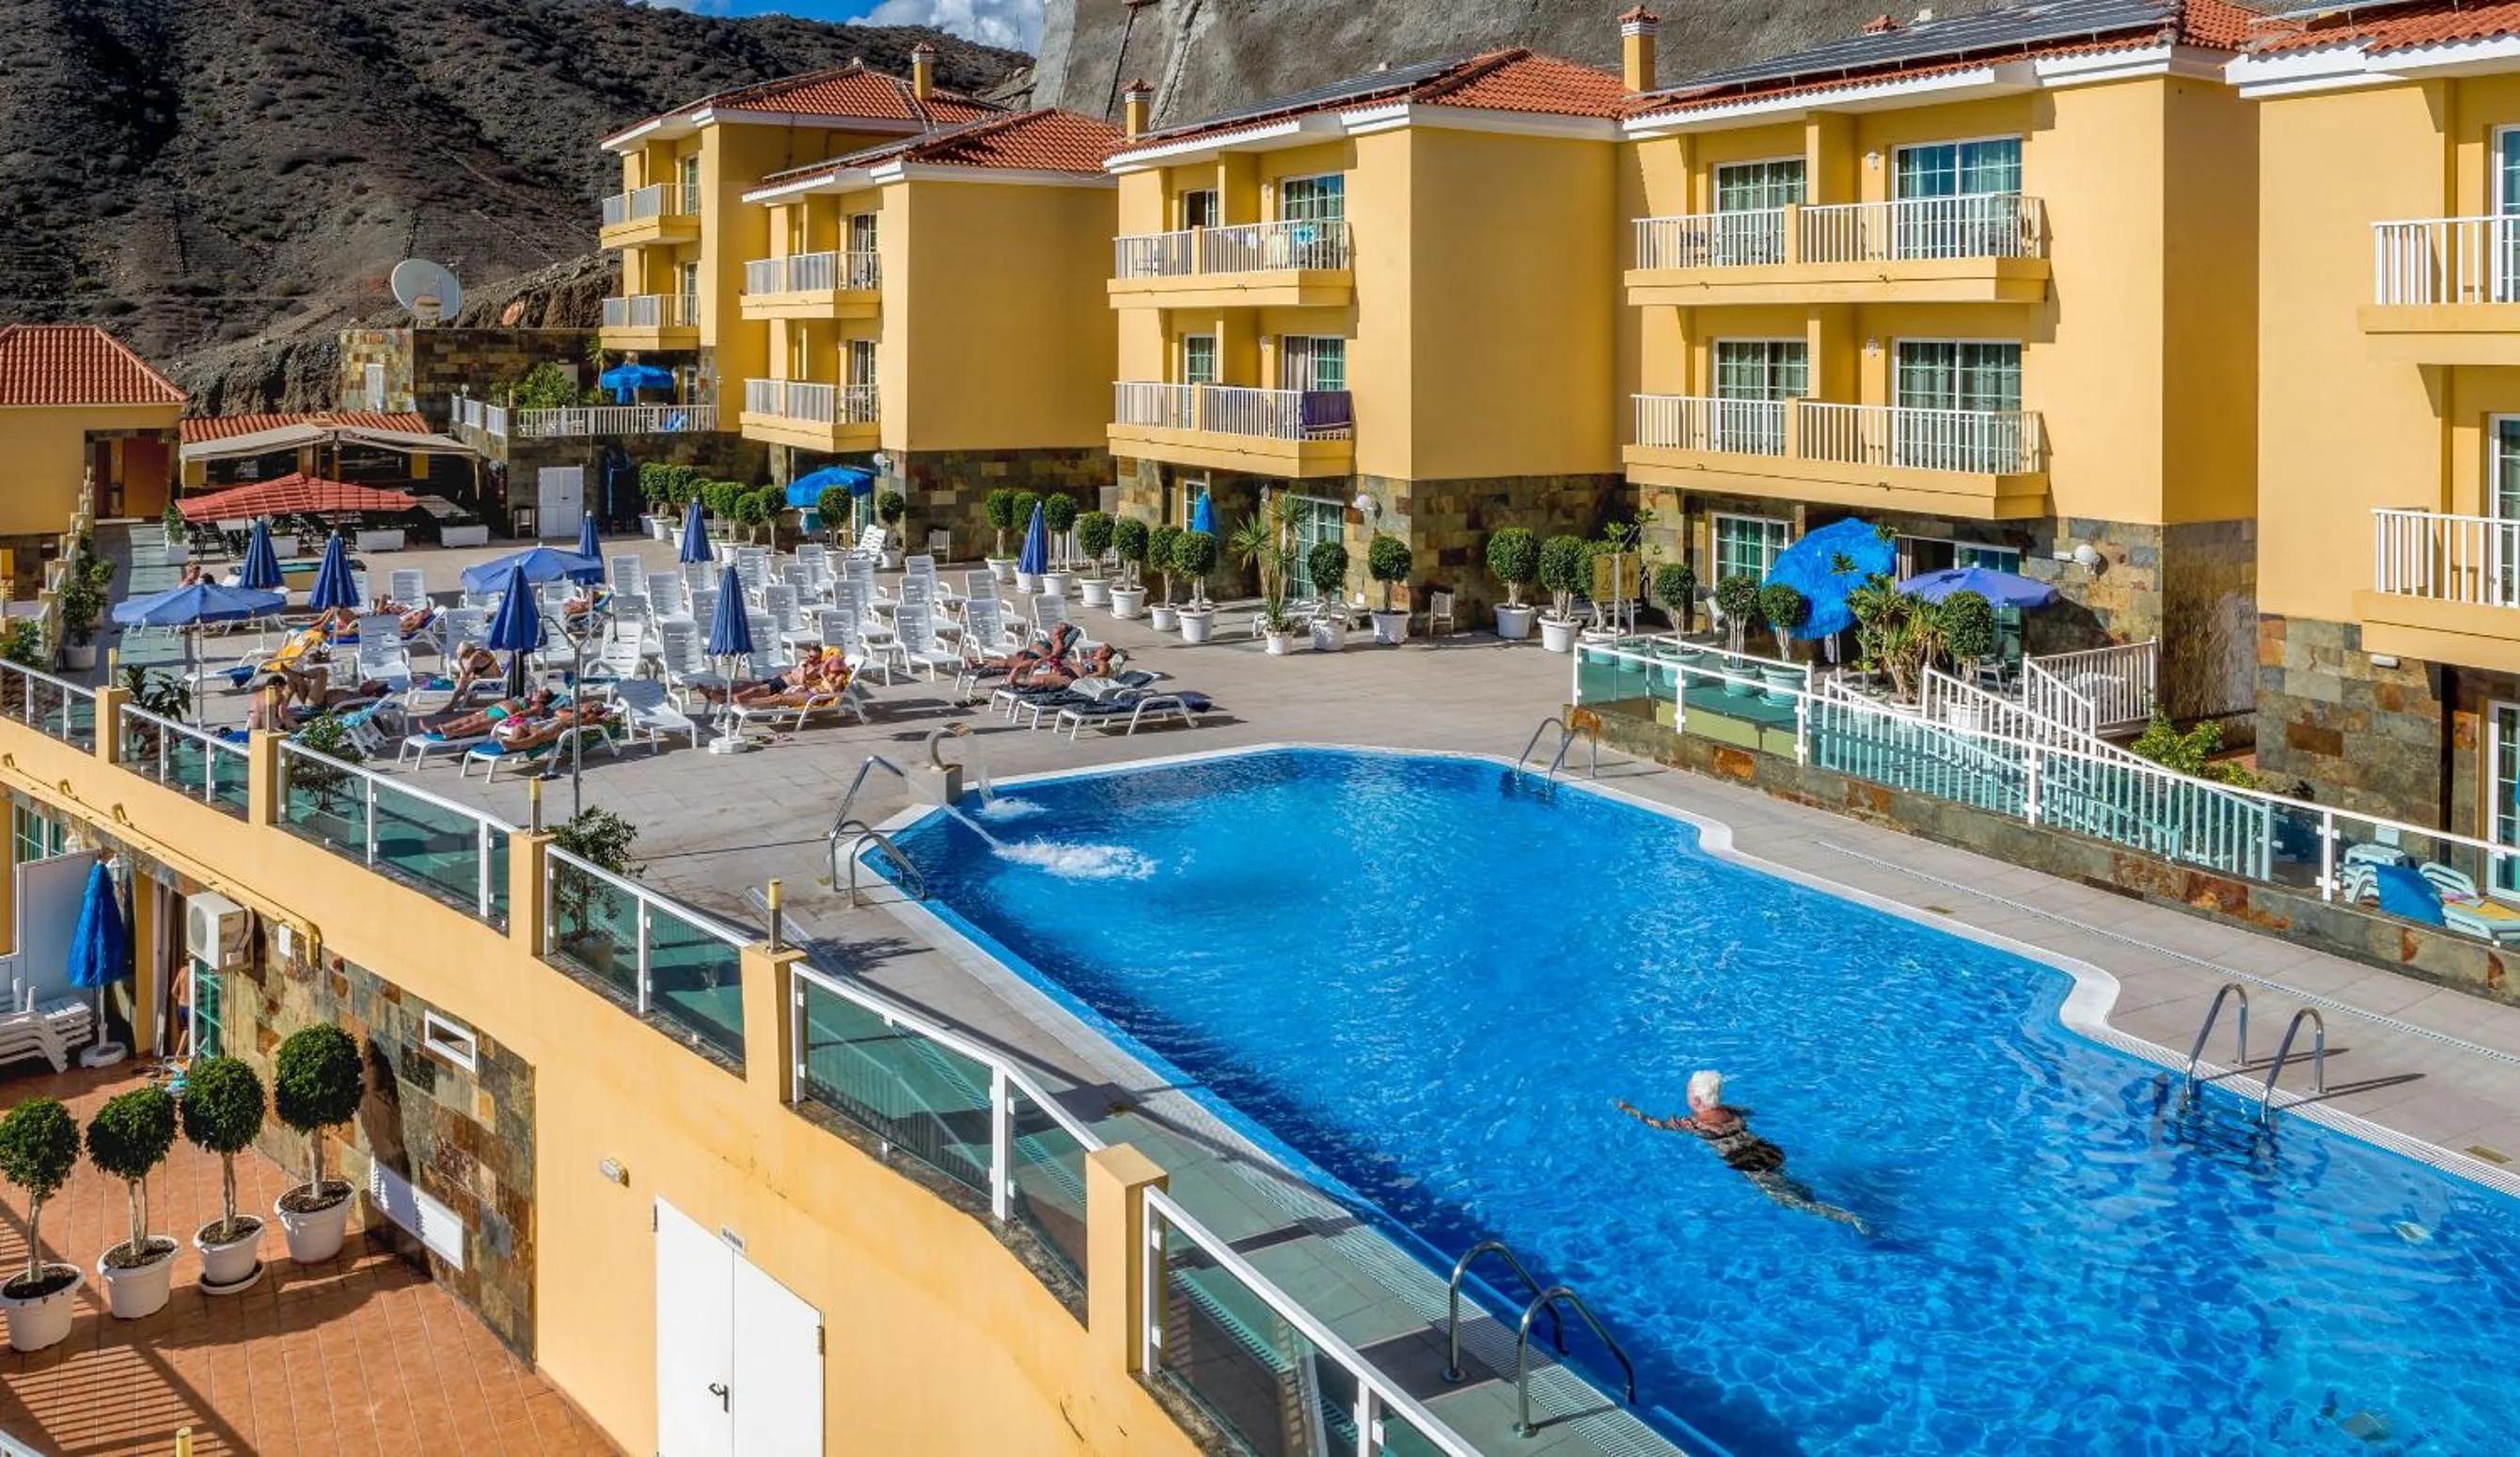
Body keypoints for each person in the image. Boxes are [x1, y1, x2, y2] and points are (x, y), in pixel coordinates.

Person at [1617, 1071, 1869, 1233]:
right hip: (1766, 1150)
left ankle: (1846, 1217)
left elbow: (1656, 1124)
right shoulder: (1730, 1110)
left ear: (1696, 1101)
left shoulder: (1693, 1123)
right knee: (1785, 1181)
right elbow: (1750, 1112)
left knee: (1785, 1200)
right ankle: (1809, 1195)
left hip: (1747, 1160)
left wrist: (1630, 1110)